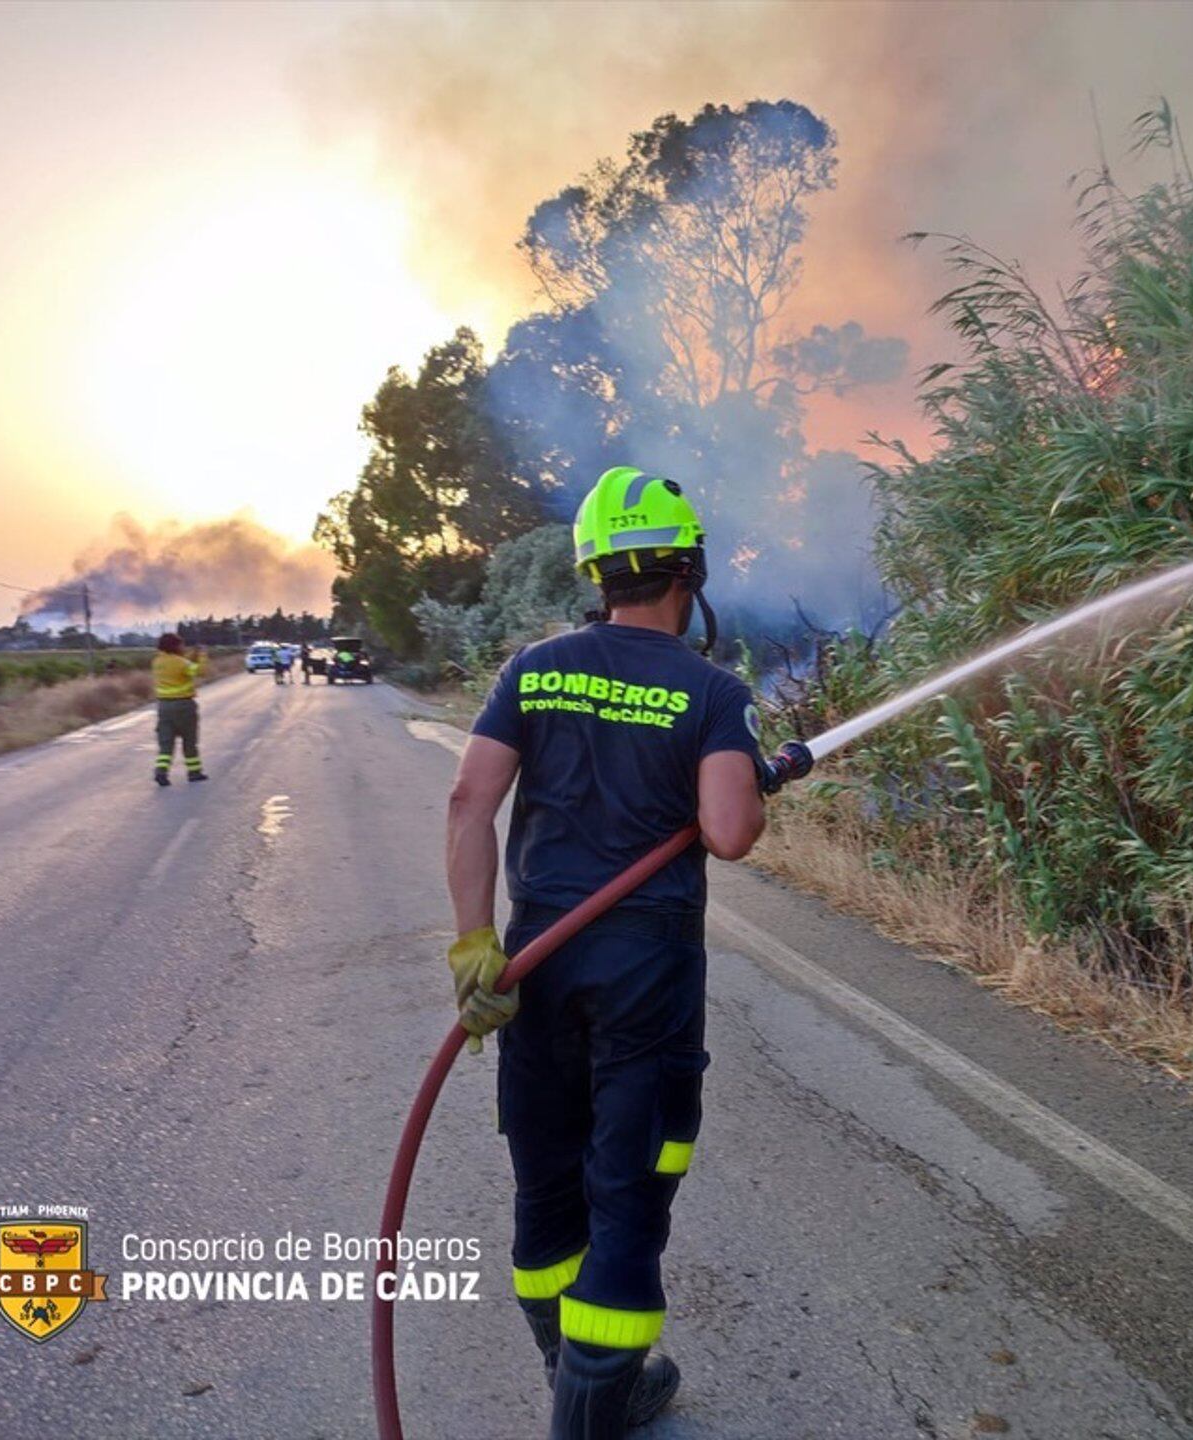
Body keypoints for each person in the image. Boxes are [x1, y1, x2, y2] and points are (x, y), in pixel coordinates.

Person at [444, 466, 768, 1439]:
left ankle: (572, 1375)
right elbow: (729, 831)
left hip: (536, 969)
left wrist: (474, 944)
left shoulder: (533, 668)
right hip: (646, 989)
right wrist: (751, 769)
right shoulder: (711, 688)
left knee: (546, 1184)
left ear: (597, 569)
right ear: (690, 568)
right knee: (625, 1201)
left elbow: (470, 802)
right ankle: (594, 1408)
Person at [151, 634, 207, 786]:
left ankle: (161, 771)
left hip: (163, 707)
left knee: (166, 743)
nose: (183, 648)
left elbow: (181, 663)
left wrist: (192, 655)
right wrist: (201, 655)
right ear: (174, 646)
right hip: (183, 706)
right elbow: (200, 671)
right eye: (181, 645)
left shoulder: (157, 662)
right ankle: (194, 772)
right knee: (189, 741)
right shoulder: (181, 663)